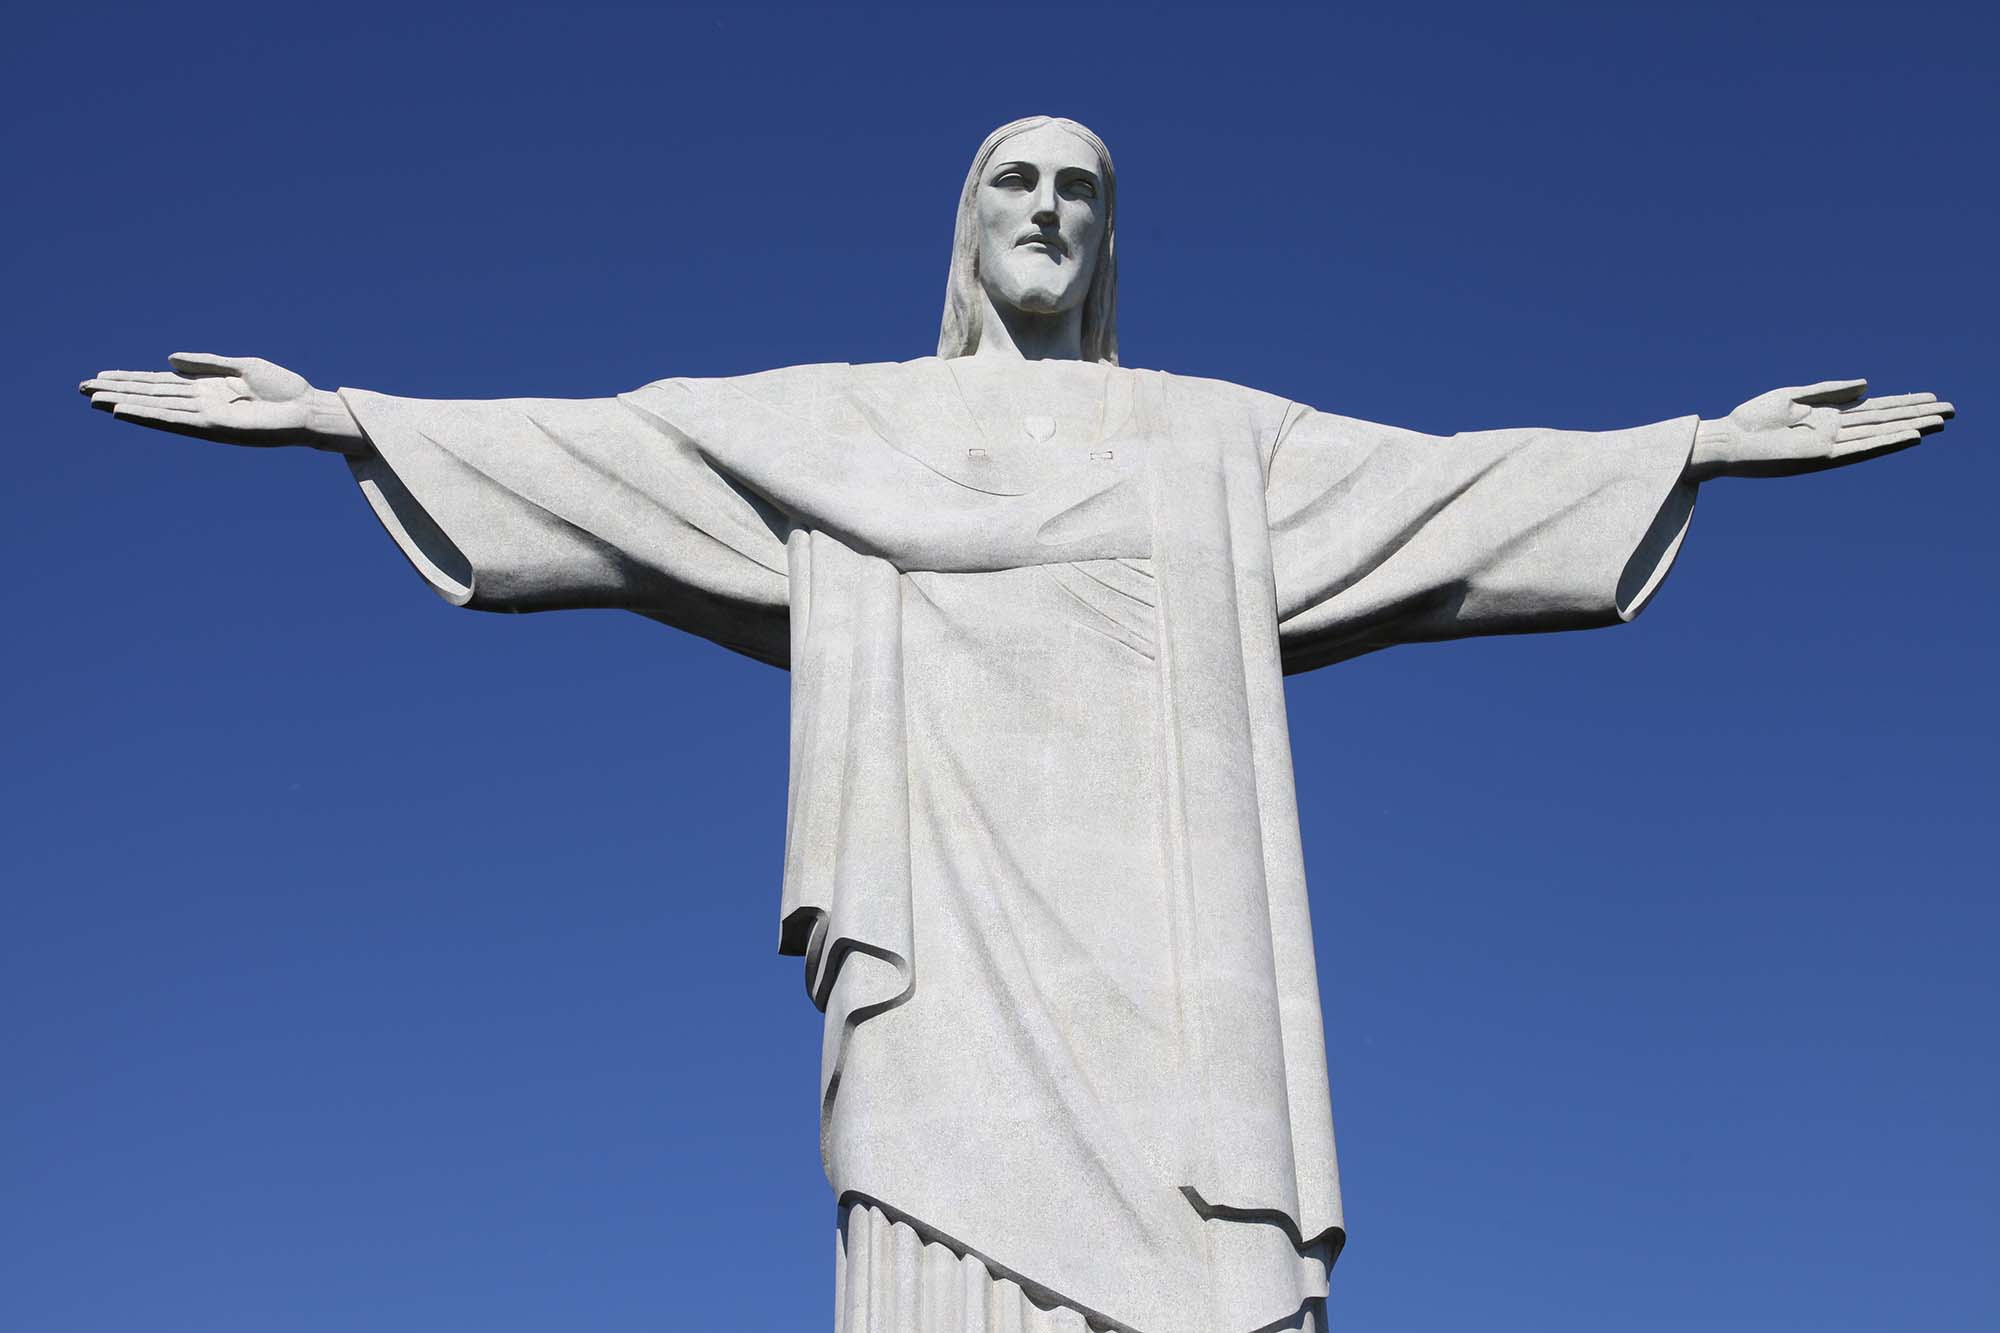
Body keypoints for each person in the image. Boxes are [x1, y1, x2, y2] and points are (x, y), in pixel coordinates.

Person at [79, 115, 1955, 1333]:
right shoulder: (840, 422)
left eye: (1082, 190)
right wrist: (347, 416)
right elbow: (613, 446)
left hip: (1170, 975)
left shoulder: (1210, 440)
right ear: (964, 228)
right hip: (946, 972)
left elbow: (1447, 494)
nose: (1048, 209)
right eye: (1014, 182)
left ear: (1107, 240)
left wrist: (1692, 444)